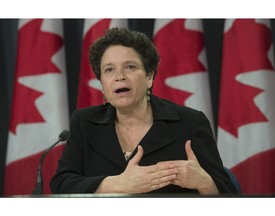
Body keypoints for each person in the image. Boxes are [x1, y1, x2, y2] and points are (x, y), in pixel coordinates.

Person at [50, 27, 238, 195]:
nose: (119, 76)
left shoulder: (189, 123)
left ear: (149, 77)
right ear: (102, 84)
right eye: (109, 70)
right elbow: (61, 184)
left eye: (130, 67)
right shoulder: (84, 122)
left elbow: (229, 194)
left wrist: (204, 182)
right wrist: (117, 183)